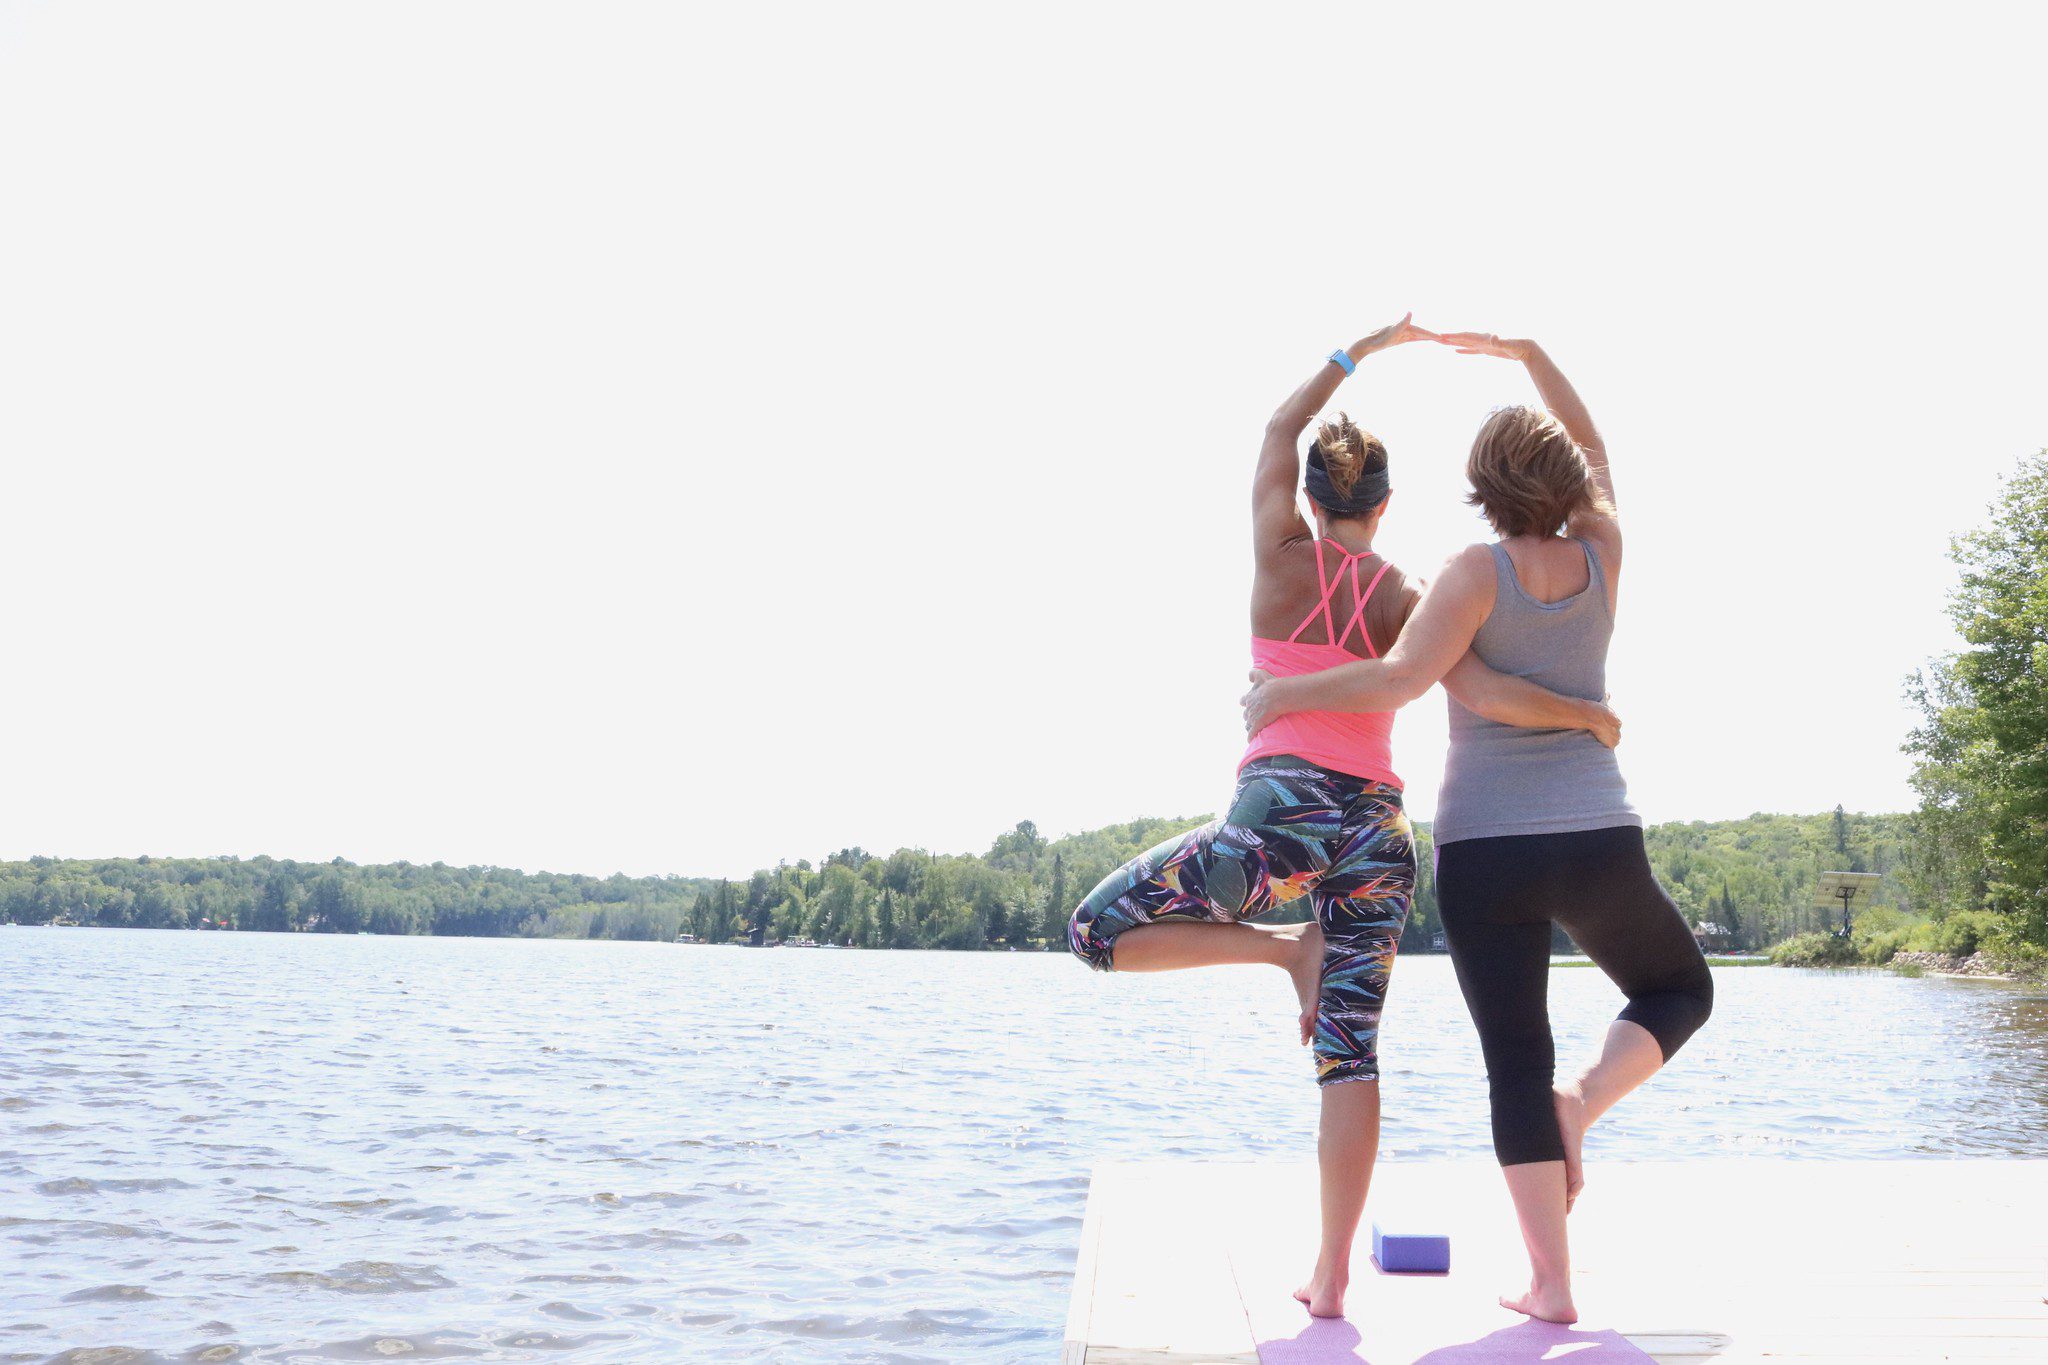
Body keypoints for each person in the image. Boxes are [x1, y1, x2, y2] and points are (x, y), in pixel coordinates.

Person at [1068, 316, 1621, 1319]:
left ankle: (1284, 954)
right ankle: (1327, 1281)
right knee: (1348, 1053)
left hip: (1274, 822)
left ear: (1314, 498)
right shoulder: (1411, 598)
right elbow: (1489, 693)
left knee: (1091, 932)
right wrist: (1581, 715)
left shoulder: (1277, 555)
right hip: (1376, 832)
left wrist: (1356, 352)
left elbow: (1280, 428)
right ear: (1386, 502)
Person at [1240, 330, 1713, 1325]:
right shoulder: (1602, 552)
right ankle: (1582, 1100)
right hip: (1594, 835)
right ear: (1570, 482)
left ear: (1478, 486)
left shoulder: (1465, 573)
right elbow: (1591, 443)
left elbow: (1401, 680)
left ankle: (1551, 1286)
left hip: (1480, 851)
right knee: (1676, 988)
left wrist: (1278, 701)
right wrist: (1523, 353)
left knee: (1512, 1063)